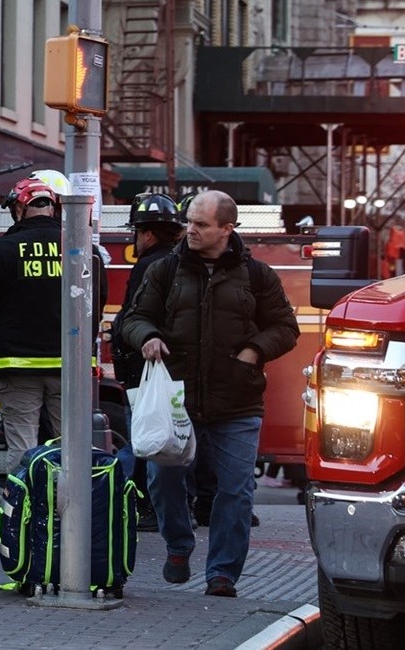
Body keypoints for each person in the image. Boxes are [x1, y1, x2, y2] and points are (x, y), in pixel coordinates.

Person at [120, 190, 299, 598]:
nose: (190, 231)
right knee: (163, 481)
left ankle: (222, 573)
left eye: (201, 224)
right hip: (176, 401)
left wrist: (254, 351)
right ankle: (179, 546)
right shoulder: (165, 270)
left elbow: (285, 328)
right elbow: (134, 318)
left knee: (236, 491)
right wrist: (146, 336)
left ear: (226, 229)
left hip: (237, 401)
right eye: (190, 222)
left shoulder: (258, 276)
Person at [0, 171, 76, 471]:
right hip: (68, 366)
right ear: (54, 209)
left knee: (22, 448)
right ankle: (72, 515)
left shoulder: (0, 250)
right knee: (71, 449)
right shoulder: (78, 248)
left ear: (19, 208)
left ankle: (25, 516)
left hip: (17, 366)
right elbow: (94, 301)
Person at [109, 193, 184, 532]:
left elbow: (134, 316)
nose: (136, 239)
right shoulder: (180, 261)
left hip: (146, 369)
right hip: (169, 368)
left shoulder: (148, 265)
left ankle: (146, 506)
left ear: (148, 234)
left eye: (137, 232)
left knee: (146, 438)